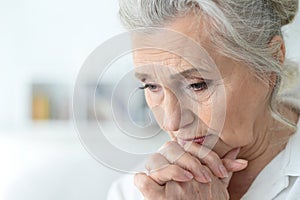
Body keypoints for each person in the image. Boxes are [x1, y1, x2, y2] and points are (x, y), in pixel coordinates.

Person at [108, 0, 300, 199]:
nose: (170, 122)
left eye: (196, 85)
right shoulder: (132, 192)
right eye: (151, 86)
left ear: (270, 62)